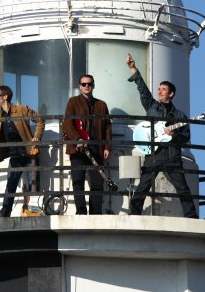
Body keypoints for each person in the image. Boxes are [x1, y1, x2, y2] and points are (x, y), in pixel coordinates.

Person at [124, 54, 198, 218]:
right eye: (159, 89)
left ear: (171, 94)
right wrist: (133, 69)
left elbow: (185, 137)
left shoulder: (180, 116)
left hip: (172, 156)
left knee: (182, 187)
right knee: (143, 186)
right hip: (153, 155)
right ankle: (134, 214)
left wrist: (174, 136)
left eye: (163, 89)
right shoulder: (152, 106)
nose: (159, 91)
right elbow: (143, 90)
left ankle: (191, 216)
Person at [0, 86, 45, 217]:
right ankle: (5, 214)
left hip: (30, 151)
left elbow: (40, 119)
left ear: (5, 97)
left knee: (33, 183)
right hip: (14, 155)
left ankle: (29, 209)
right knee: (11, 185)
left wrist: (37, 136)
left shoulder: (22, 109)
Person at [63, 75, 113, 215]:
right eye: (84, 84)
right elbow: (67, 123)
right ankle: (81, 211)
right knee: (77, 181)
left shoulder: (102, 105)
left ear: (93, 85)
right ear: (79, 86)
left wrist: (107, 147)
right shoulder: (73, 102)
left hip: (97, 149)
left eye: (89, 84)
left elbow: (108, 127)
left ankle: (95, 213)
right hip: (77, 149)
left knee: (98, 183)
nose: (86, 86)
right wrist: (77, 139)